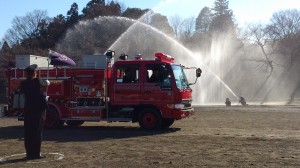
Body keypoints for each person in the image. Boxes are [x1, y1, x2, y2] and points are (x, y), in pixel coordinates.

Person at [20, 64, 50, 160]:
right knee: (37, 132)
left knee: (28, 132)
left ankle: (29, 153)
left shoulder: (23, 83)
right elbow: (47, 83)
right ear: (34, 73)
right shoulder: (37, 80)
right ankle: (36, 153)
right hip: (38, 110)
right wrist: (45, 97)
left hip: (28, 109)